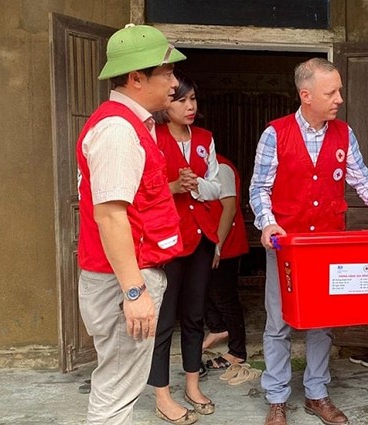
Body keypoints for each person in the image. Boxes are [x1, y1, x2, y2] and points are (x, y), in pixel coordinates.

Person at [249, 57, 368, 425]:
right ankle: (277, 398)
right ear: (306, 95)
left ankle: (317, 394)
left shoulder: (343, 133)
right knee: (278, 323)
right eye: (331, 92)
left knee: (322, 321)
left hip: (326, 246)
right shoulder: (275, 133)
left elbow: (363, 180)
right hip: (286, 247)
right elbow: (259, 188)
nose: (339, 98)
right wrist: (269, 223)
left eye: (339, 90)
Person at [76, 24, 186, 424]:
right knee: (117, 392)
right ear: (136, 78)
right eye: (167, 73)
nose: (175, 83)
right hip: (123, 280)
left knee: (119, 385)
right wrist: (135, 291)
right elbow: (110, 214)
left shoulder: (133, 125)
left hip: (124, 276)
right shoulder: (119, 130)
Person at [148, 72, 221, 424]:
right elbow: (141, 189)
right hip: (167, 241)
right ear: (167, 105)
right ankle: (162, 394)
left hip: (201, 238)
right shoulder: (152, 137)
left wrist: (195, 187)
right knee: (164, 320)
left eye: (193, 100)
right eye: (181, 100)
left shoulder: (205, 139)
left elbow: (218, 187)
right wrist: (172, 186)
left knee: (194, 315)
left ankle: (192, 385)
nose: (190, 106)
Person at [201, 153, 250, 370]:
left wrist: (217, 246)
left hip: (224, 245)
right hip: (207, 243)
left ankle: (237, 352)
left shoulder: (220, 167)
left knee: (225, 297)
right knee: (202, 291)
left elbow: (229, 208)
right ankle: (218, 328)